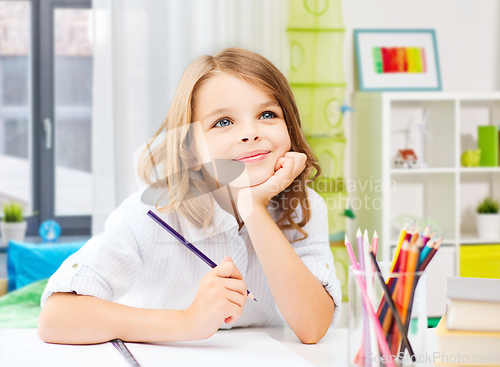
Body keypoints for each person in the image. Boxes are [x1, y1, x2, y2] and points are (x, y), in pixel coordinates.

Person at [38, 47, 342, 345]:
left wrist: (254, 209)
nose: (250, 133)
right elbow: (55, 318)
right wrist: (188, 320)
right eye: (223, 122)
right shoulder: (153, 212)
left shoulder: (305, 207)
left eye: (267, 114)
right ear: (190, 150)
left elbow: (313, 327)